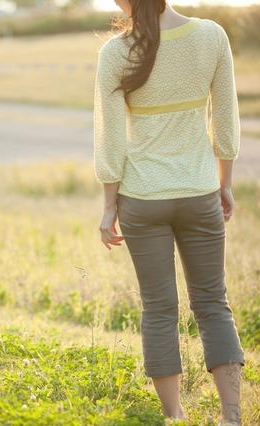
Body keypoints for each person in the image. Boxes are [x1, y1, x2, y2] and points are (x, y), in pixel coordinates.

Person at [93, 1, 245, 424]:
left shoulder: (116, 52)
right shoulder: (211, 35)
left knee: (158, 309)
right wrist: (225, 181)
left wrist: (109, 206)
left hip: (142, 199)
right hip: (200, 193)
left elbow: (110, 138)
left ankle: (174, 416)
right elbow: (226, 118)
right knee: (214, 303)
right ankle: (231, 416)